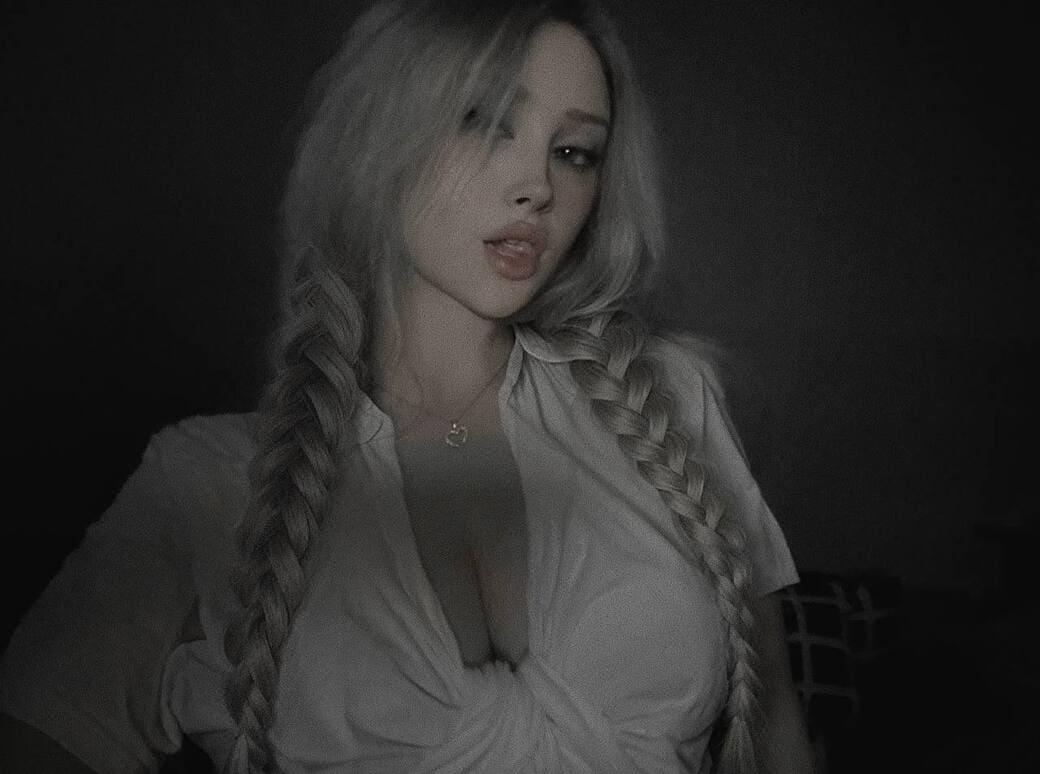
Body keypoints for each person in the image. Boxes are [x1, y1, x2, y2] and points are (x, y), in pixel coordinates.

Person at [0, 0, 815, 771]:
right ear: (380, 137)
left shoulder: (667, 399)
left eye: (574, 152)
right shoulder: (204, 483)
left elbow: (775, 725)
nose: (538, 186)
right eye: (486, 122)